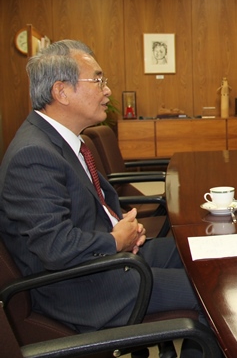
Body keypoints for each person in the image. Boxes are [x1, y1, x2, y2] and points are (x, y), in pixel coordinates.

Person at [0, 40, 220, 358]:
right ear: (61, 92)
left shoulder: (58, 141)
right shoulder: (33, 154)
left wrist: (124, 227)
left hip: (101, 264)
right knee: (215, 293)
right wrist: (116, 240)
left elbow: (89, 207)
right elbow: (55, 248)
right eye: (98, 80)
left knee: (200, 252)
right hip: (82, 289)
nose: (107, 90)